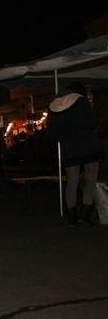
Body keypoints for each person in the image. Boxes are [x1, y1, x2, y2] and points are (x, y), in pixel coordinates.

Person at [47, 82, 104, 226]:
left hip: (69, 147)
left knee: (72, 181)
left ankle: (71, 217)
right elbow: (91, 122)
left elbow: (52, 131)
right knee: (90, 179)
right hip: (88, 145)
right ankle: (85, 214)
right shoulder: (81, 101)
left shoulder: (53, 105)